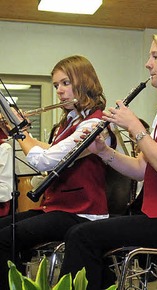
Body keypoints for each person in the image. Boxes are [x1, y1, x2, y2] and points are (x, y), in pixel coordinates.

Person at [60, 31, 157, 290]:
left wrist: (135, 126)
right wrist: (103, 151)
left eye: (155, 57)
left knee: (84, 236)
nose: (148, 64)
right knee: (80, 235)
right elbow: (141, 169)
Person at [0, 55, 112, 289]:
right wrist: (25, 136)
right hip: (59, 207)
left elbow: (46, 161)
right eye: (56, 85)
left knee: (6, 238)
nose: (59, 91)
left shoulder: (93, 124)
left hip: (83, 213)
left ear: (84, 82)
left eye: (65, 83)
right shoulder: (68, 123)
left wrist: (22, 135)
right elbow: (53, 150)